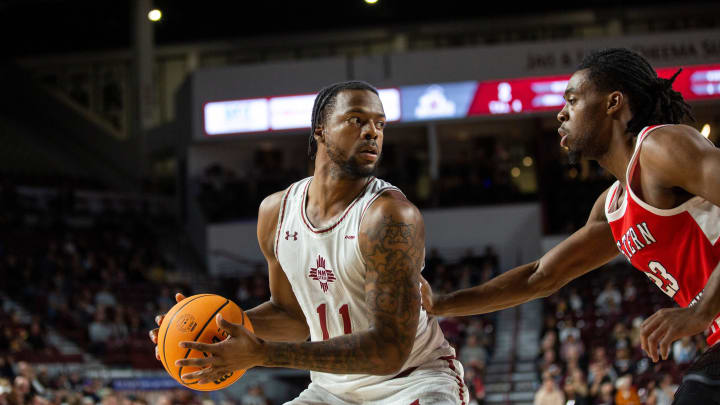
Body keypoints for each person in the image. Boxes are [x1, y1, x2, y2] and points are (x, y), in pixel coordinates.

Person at [420, 48, 720, 404]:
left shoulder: (659, 146)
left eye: (573, 100)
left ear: (613, 102)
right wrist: (441, 303)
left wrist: (701, 310)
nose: (561, 112)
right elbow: (539, 277)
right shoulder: (612, 207)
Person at [150, 81, 467, 404]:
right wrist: (210, 331)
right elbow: (292, 317)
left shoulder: (390, 215)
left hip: (413, 382)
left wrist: (262, 353)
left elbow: (389, 353)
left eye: (380, 123)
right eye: (357, 119)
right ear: (321, 130)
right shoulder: (276, 212)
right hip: (332, 391)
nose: (372, 131)